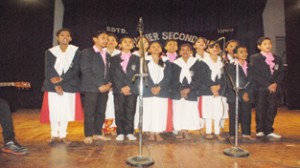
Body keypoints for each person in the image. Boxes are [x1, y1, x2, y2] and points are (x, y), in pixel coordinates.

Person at [40, 28, 83, 145]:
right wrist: (56, 84)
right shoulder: (49, 52)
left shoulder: (76, 52)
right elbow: (48, 69)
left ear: (70, 38)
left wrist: (62, 80)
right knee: (54, 110)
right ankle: (54, 134)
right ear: (57, 38)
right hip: (52, 86)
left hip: (70, 85)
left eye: (67, 35)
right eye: (62, 35)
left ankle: (63, 135)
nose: (64, 37)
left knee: (65, 111)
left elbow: (76, 69)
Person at [134, 42, 171, 141]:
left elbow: (168, 77)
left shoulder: (166, 62)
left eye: (158, 46)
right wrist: (151, 87)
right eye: (153, 47)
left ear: (161, 49)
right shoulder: (143, 61)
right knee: (148, 112)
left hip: (161, 92)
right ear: (149, 49)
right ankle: (150, 132)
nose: (155, 48)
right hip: (148, 91)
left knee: (160, 112)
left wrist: (159, 87)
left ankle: (158, 132)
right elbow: (143, 75)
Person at [80, 31, 112, 144]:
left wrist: (109, 84)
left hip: (105, 88)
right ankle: (88, 135)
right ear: (95, 39)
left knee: (100, 112)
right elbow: (86, 70)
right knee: (90, 112)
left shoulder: (107, 54)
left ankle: (98, 133)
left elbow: (109, 71)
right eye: (103, 38)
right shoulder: (87, 52)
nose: (106, 40)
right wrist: (99, 84)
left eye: (107, 38)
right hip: (92, 87)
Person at [250, 37, 284, 139]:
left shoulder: (277, 58)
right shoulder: (255, 58)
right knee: (260, 108)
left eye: (269, 43)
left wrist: (275, 83)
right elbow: (255, 74)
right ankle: (260, 129)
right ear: (259, 46)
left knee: (272, 108)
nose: (268, 45)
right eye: (265, 44)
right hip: (261, 88)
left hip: (274, 88)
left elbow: (281, 72)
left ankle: (269, 129)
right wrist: (267, 85)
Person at [111, 37, 140, 141]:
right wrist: (121, 87)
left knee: (130, 110)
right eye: (125, 42)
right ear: (120, 45)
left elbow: (138, 75)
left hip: (132, 89)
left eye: (130, 42)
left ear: (133, 46)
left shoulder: (137, 59)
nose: (128, 43)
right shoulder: (114, 58)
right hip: (119, 89)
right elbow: (113, 74)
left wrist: (129, 87)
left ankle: (129, 131)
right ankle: (120, 132)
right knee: (119, 111)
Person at [171, 43, 202, 139]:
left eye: (187, 50)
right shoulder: (174, 63)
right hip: (177, 92)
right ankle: (180, 130)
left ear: (191, 52)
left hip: (192, 92)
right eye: (183, 50)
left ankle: (186, 130)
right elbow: (173, 78)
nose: (185, 52)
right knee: (178, 111)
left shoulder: (197, 63)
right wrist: (181, 89)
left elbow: (198, 78)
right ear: (179, 52)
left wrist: (189, 89)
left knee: (189, 111)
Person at [199, 41, 228, 141]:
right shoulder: (203, 62)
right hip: (206, 90)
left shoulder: (223, 62)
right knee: (208, 111)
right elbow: (203, 77)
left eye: (217, 47)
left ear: (220, 50)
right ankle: (208, 132)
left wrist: (218, 87)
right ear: (207, 50)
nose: (215, 49)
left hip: (219, 90)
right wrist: (212, 87)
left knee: (218, 111)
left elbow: (224, 77)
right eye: (212, 47)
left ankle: (217, 132)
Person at [226, 45, 255, 141]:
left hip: (248, 94)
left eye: (245, 51)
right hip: (234, 94)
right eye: (241, 52)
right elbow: (231, 82)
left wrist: (248, 93)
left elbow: (252, 81)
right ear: (235, 54)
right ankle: (233, 134)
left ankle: (246, 133)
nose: (244, 54)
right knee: (234, 115)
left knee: (246, 114)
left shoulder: (250, 66)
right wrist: (242, 93)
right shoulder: (230, 66)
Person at [103, 33, 120, 135]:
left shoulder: (121, 54)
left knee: (114, 107)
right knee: (103, 106)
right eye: (108, 39)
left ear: (117, 43)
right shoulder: (101, 53)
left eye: (113, 40)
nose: (110, 41)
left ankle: (113, 127)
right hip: (103, 85)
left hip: (116, 86)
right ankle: (103, 128)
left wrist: (114, 85)